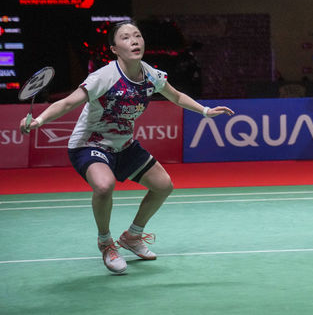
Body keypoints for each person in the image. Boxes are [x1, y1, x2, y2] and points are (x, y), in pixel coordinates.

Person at [20, 20, 235, 274]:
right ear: (114, 49)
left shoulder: (151, 75)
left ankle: (133, 236)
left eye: (137, 36)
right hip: (89, 143)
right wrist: (39, 121)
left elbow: (176, 96)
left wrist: (206, 111)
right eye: (125, 37)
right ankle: (105, 242)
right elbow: (68, 103)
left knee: (163, 186)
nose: (134, 41)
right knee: (104, 186)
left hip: (123, 145)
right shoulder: (103, 77)